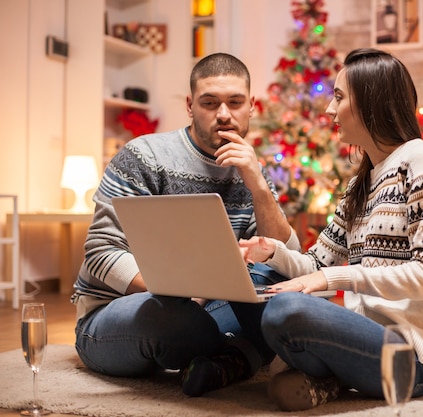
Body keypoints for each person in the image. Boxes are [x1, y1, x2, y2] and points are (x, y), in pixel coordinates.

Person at [239, 48, 423, 412]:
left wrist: (337, 278)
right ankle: (335, 377)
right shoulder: (362, 183)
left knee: (286, 311)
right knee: (258, 279)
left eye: (339, 97)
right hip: (363, 337)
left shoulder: (422, 160)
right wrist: (269, 251)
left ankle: (326, 375)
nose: (329, 110)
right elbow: (316, 266)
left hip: (416, 358)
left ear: (373, 102)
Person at [71, 52, 300, 396]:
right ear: (191, 106)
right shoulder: (144, 156)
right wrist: (181, 294)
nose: (224, 114)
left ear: (251, 106)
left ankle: (223, 360)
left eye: (235, 102)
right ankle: (242, 353)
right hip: (124, 312)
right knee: (178, 321)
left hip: (207, 309)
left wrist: (260, 186)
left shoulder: (252, 170)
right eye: (210, 103)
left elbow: (285, 259)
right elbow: (100, 253)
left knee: (284, 296)